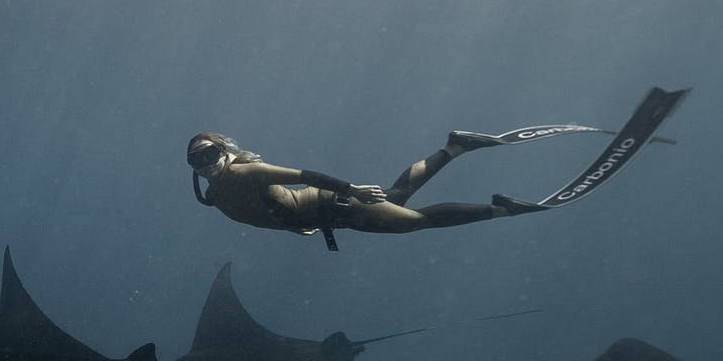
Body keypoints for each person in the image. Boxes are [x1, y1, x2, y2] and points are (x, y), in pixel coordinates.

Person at [186, 129, 545, 241]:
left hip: (335, 204)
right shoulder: (213, 194)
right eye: (196, 161)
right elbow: (262, 211)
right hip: (325, 214)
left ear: (224, 151)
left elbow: (305, 176)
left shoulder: (247, 172)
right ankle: (456, 146)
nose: (204, 166)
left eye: (208, 154)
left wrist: (352, 190)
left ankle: (502, 209)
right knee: (397, 196)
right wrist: (296, 226)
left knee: (414, 222)